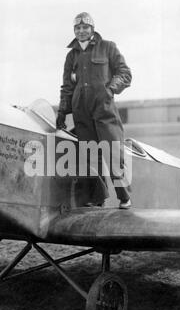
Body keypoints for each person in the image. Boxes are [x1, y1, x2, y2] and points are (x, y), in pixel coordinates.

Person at [56, 12, 132, 209]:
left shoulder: (108, 47)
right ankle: (99, 198)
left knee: (113, 152)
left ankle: (124, 197)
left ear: (92, 29)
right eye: (78, 28)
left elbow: (125, 74)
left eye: (85, 27)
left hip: (105, 109)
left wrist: (110, 90)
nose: (81, 31)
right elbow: (67, 86)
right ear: (74, 31)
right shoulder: (71, 55)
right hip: (81, 112)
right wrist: (63, 111)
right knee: (90, 155)